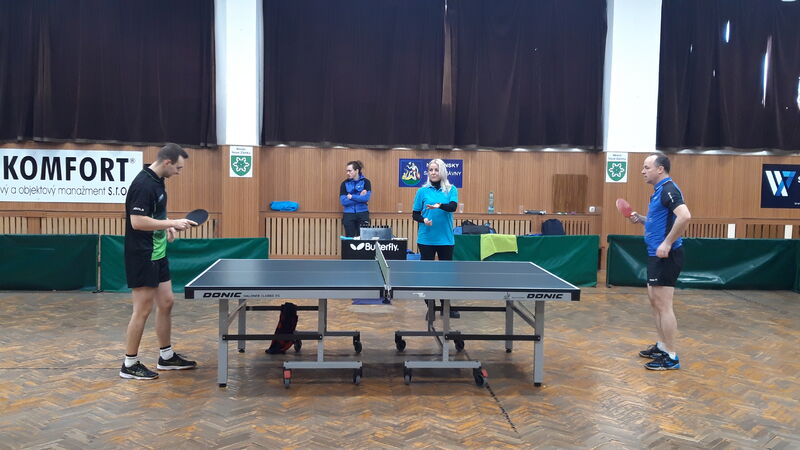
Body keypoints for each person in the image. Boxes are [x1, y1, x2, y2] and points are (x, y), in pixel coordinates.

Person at [120, 143, 198, 380]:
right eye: (178, 168)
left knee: (166, 302)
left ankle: (166, 357)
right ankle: (129, 364)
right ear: (167, 162)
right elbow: (137, 222)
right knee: (142, 310)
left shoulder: (157, 181)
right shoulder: (143, 185)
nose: (179, 172)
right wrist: (172, 223)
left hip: (158, 252)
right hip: (142, 254)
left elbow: (153, 215)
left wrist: (166, 227)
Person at [629, 153, 691, 370]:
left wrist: (667, 243)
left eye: (647, 167)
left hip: (667, 255)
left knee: (664, 306)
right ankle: (662, 346)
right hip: (655, 254)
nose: (642, 171)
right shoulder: (658, 192)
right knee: (655, 303)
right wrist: (642, 220)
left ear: (660, 169)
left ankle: (671, 357)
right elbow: (661, 221)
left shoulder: (669, 189)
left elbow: (685, 216)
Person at [412, 158, 460, 318]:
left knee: (446, 276)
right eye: (431, 170)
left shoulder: (451, 189)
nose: (433, 172)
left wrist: (439, 205)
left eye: (436, 169)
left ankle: (446, 307)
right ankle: (431, 306)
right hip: (426, 239)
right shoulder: (422, 191)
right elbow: (415, 214)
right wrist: (424, 219)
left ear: (442, 171)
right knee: (427, 275)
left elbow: (452, 207)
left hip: (446, 239)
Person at [339, 160, 372, 237]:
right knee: (350, 239)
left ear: (357, 170)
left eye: (350, 171)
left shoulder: (366, 182)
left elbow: (366, 198)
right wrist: (359, 197)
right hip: (348, 214)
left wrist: (351, 197)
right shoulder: (344, 183)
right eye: (347, 171)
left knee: (363, 238)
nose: (347, 173)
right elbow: (343, 201)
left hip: (362, 213)